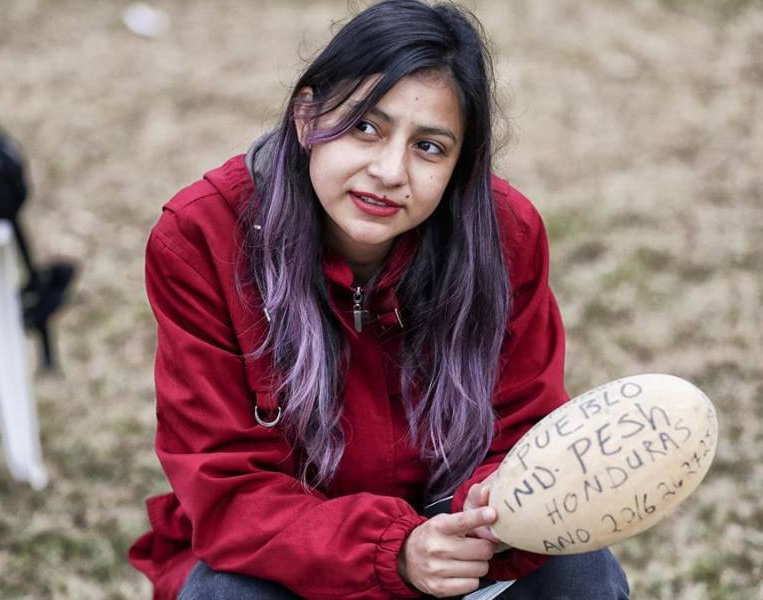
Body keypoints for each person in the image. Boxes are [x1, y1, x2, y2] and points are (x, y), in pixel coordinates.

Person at [128, 1, 630, 598]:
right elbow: (226, 482)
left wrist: (489, 518)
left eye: (430, 147)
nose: (390, 171)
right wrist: (393, 551)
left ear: (459, 166)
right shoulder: (201, 236)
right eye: (366, 126)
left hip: (458, 535)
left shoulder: (506, 235)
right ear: (306, 114)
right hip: (291, 549)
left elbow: (523, 428)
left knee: (582, 572)